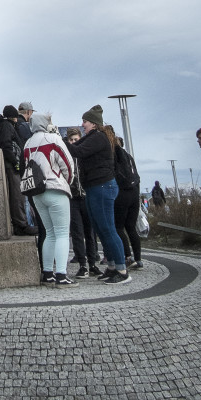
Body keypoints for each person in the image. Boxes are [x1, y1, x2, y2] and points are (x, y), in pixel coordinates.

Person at [66, 104, 130, 284]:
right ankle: (111, 267)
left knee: (108, 229)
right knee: (101, 230)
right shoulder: (92, 136)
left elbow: (77, 151)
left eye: (85, 121)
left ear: (93, 123)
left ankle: (122, 270)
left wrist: (60, 141)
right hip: (94, 188)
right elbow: (75, 145)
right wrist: (62, 141)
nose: (82, 124)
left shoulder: (98, 138)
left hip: (102, 187)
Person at [23, 113, 76, 286]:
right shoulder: (53, 139)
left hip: (37, 193)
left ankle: (47, 273)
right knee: (62, 233)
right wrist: (66, 182)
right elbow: (67, 164)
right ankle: (61, 274)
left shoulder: (28, 143)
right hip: (55, 189)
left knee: (49, 234)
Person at [0, 106, 38, 236]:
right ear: (13, 116)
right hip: (12, 166)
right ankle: (21, 225)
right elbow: (6, 145)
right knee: (18, 196)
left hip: (13, 165)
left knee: (19, 196)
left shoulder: (5, 125)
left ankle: (22, 224)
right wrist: (15, 162)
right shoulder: (7, 126)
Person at [65, 126, 101, 278]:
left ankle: (92, 263)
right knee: (77, 233)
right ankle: (82, 264)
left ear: (80, 139)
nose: (74, 142)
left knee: (90, 233)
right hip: (73, 198)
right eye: (71, 140)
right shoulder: (66, 156)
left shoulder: (85, 155)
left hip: (86, 197)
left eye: (76, 139)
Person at [109, 131, 143, 270]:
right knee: (131, 227)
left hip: (122, 193)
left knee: (118, 227)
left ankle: (128, 257)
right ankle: (139, 259)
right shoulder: (129, 157)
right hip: (135, 193)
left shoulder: (115, 156)